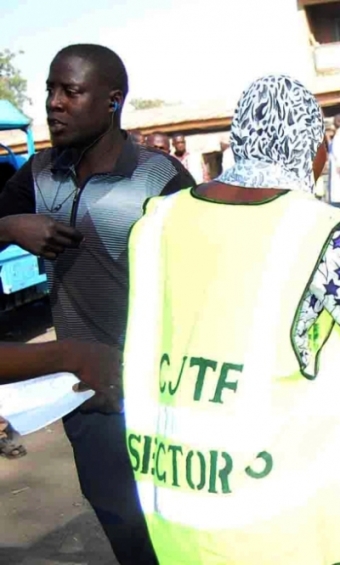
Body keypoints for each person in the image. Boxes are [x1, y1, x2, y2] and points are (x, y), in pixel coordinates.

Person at [122, 74, 340, 565]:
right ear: (310, 147)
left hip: (179, 498)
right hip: (288, 511)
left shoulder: (157, 219)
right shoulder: (322, 228)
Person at [0, 44, 195, 565]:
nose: (54, 103)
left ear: (112, 101)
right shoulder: (38, 174)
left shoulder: (161, 177)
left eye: (71, 91)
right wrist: (8, 226)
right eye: (49, 90)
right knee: (126, 531)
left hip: (164, 392)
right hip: (87, 396)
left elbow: (203, 280)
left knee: (181, 533)